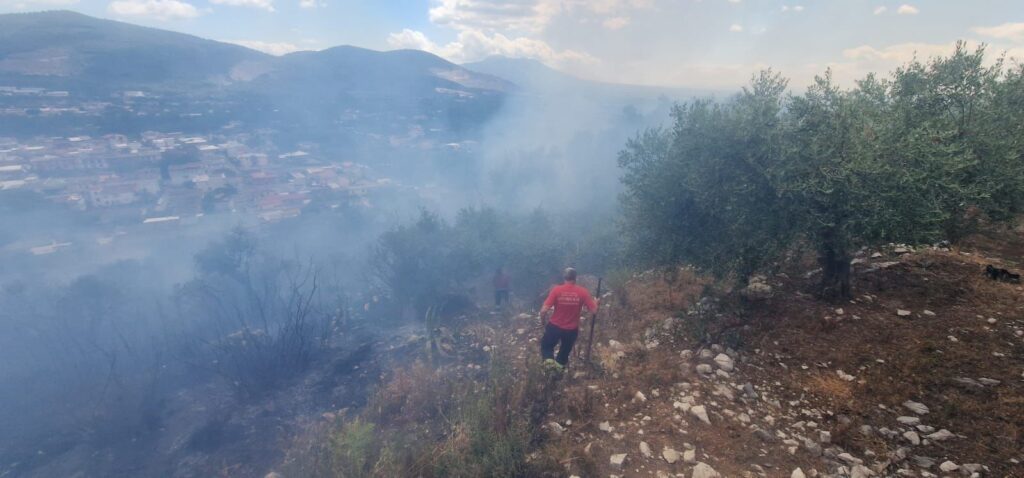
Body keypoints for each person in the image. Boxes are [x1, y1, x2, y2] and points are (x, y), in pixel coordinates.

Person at [538, 267, 597, 370]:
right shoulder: (583, 292)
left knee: (546, 347)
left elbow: (543, 310)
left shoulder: (556, 290)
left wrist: (543, 322)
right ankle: (556, 375)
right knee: (564, 353)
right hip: (571, 330)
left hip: (554, 327)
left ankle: (548, 370)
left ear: (564, 277)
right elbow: (594, 311)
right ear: (575, 278)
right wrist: (596, 303)